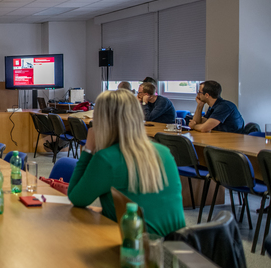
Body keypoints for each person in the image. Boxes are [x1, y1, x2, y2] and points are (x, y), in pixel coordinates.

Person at [67, 90, 185, 238]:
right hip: (177, 245)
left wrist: (88, 149)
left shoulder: (107, 159)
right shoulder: (164, 152)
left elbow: (76, 198)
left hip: (136, 246)